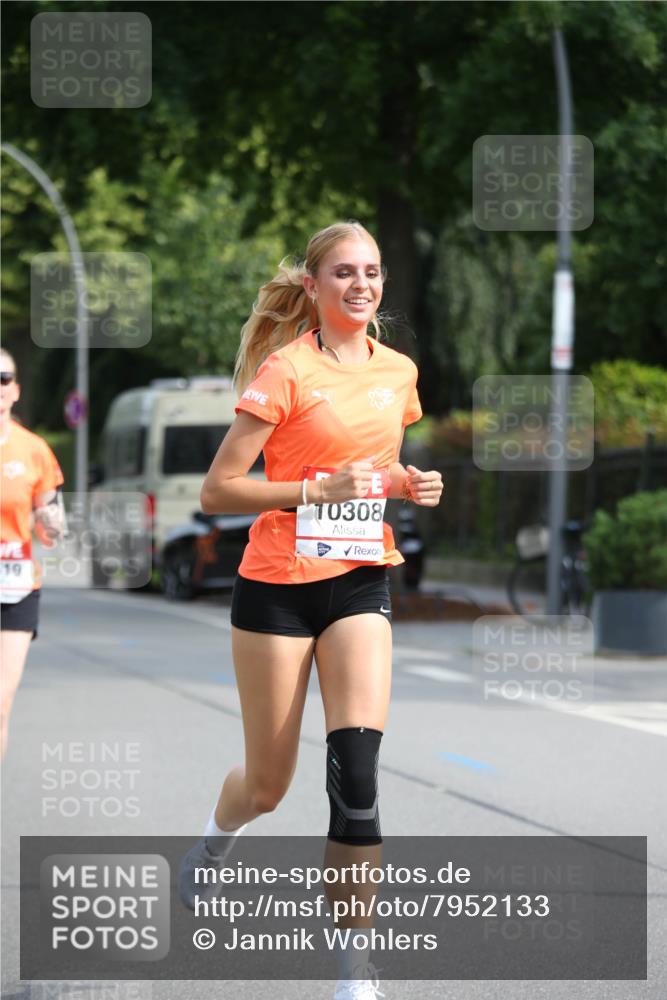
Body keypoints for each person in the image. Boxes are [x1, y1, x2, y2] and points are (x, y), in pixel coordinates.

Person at [178, 221, 443, 999]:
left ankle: (352, 972)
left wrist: (408, 482)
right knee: (268, 785)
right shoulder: (284, 370)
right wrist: (308, 490)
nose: (361, 285)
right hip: (276, 587)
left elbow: (380, 464)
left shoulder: (399, 372)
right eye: (343, 273)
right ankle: (216, 838)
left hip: (359, 577)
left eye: (372, 272)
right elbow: (217, 491)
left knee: (355, 776)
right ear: (314, 286)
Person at [0, 348, 66, 758]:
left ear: (16, 389)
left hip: (16, 587)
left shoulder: (34, 450)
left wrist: (53, 520)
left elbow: (49, 519)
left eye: (3, 378)